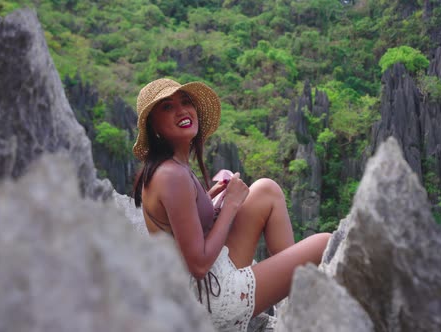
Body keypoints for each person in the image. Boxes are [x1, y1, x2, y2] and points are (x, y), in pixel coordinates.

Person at [132, 78, 330, 332]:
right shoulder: (172, 176)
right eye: (167, 107)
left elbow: (182, 224)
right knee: (324, 242)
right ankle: (299, 305)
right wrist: (231, 205)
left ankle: (292, 300)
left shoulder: (173, 168)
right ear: (154, 127)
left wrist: (210, 199)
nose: (181, 110)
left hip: (198, 288)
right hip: (208, 300)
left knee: (266, 190)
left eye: (185, 101)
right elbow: (199, 265)